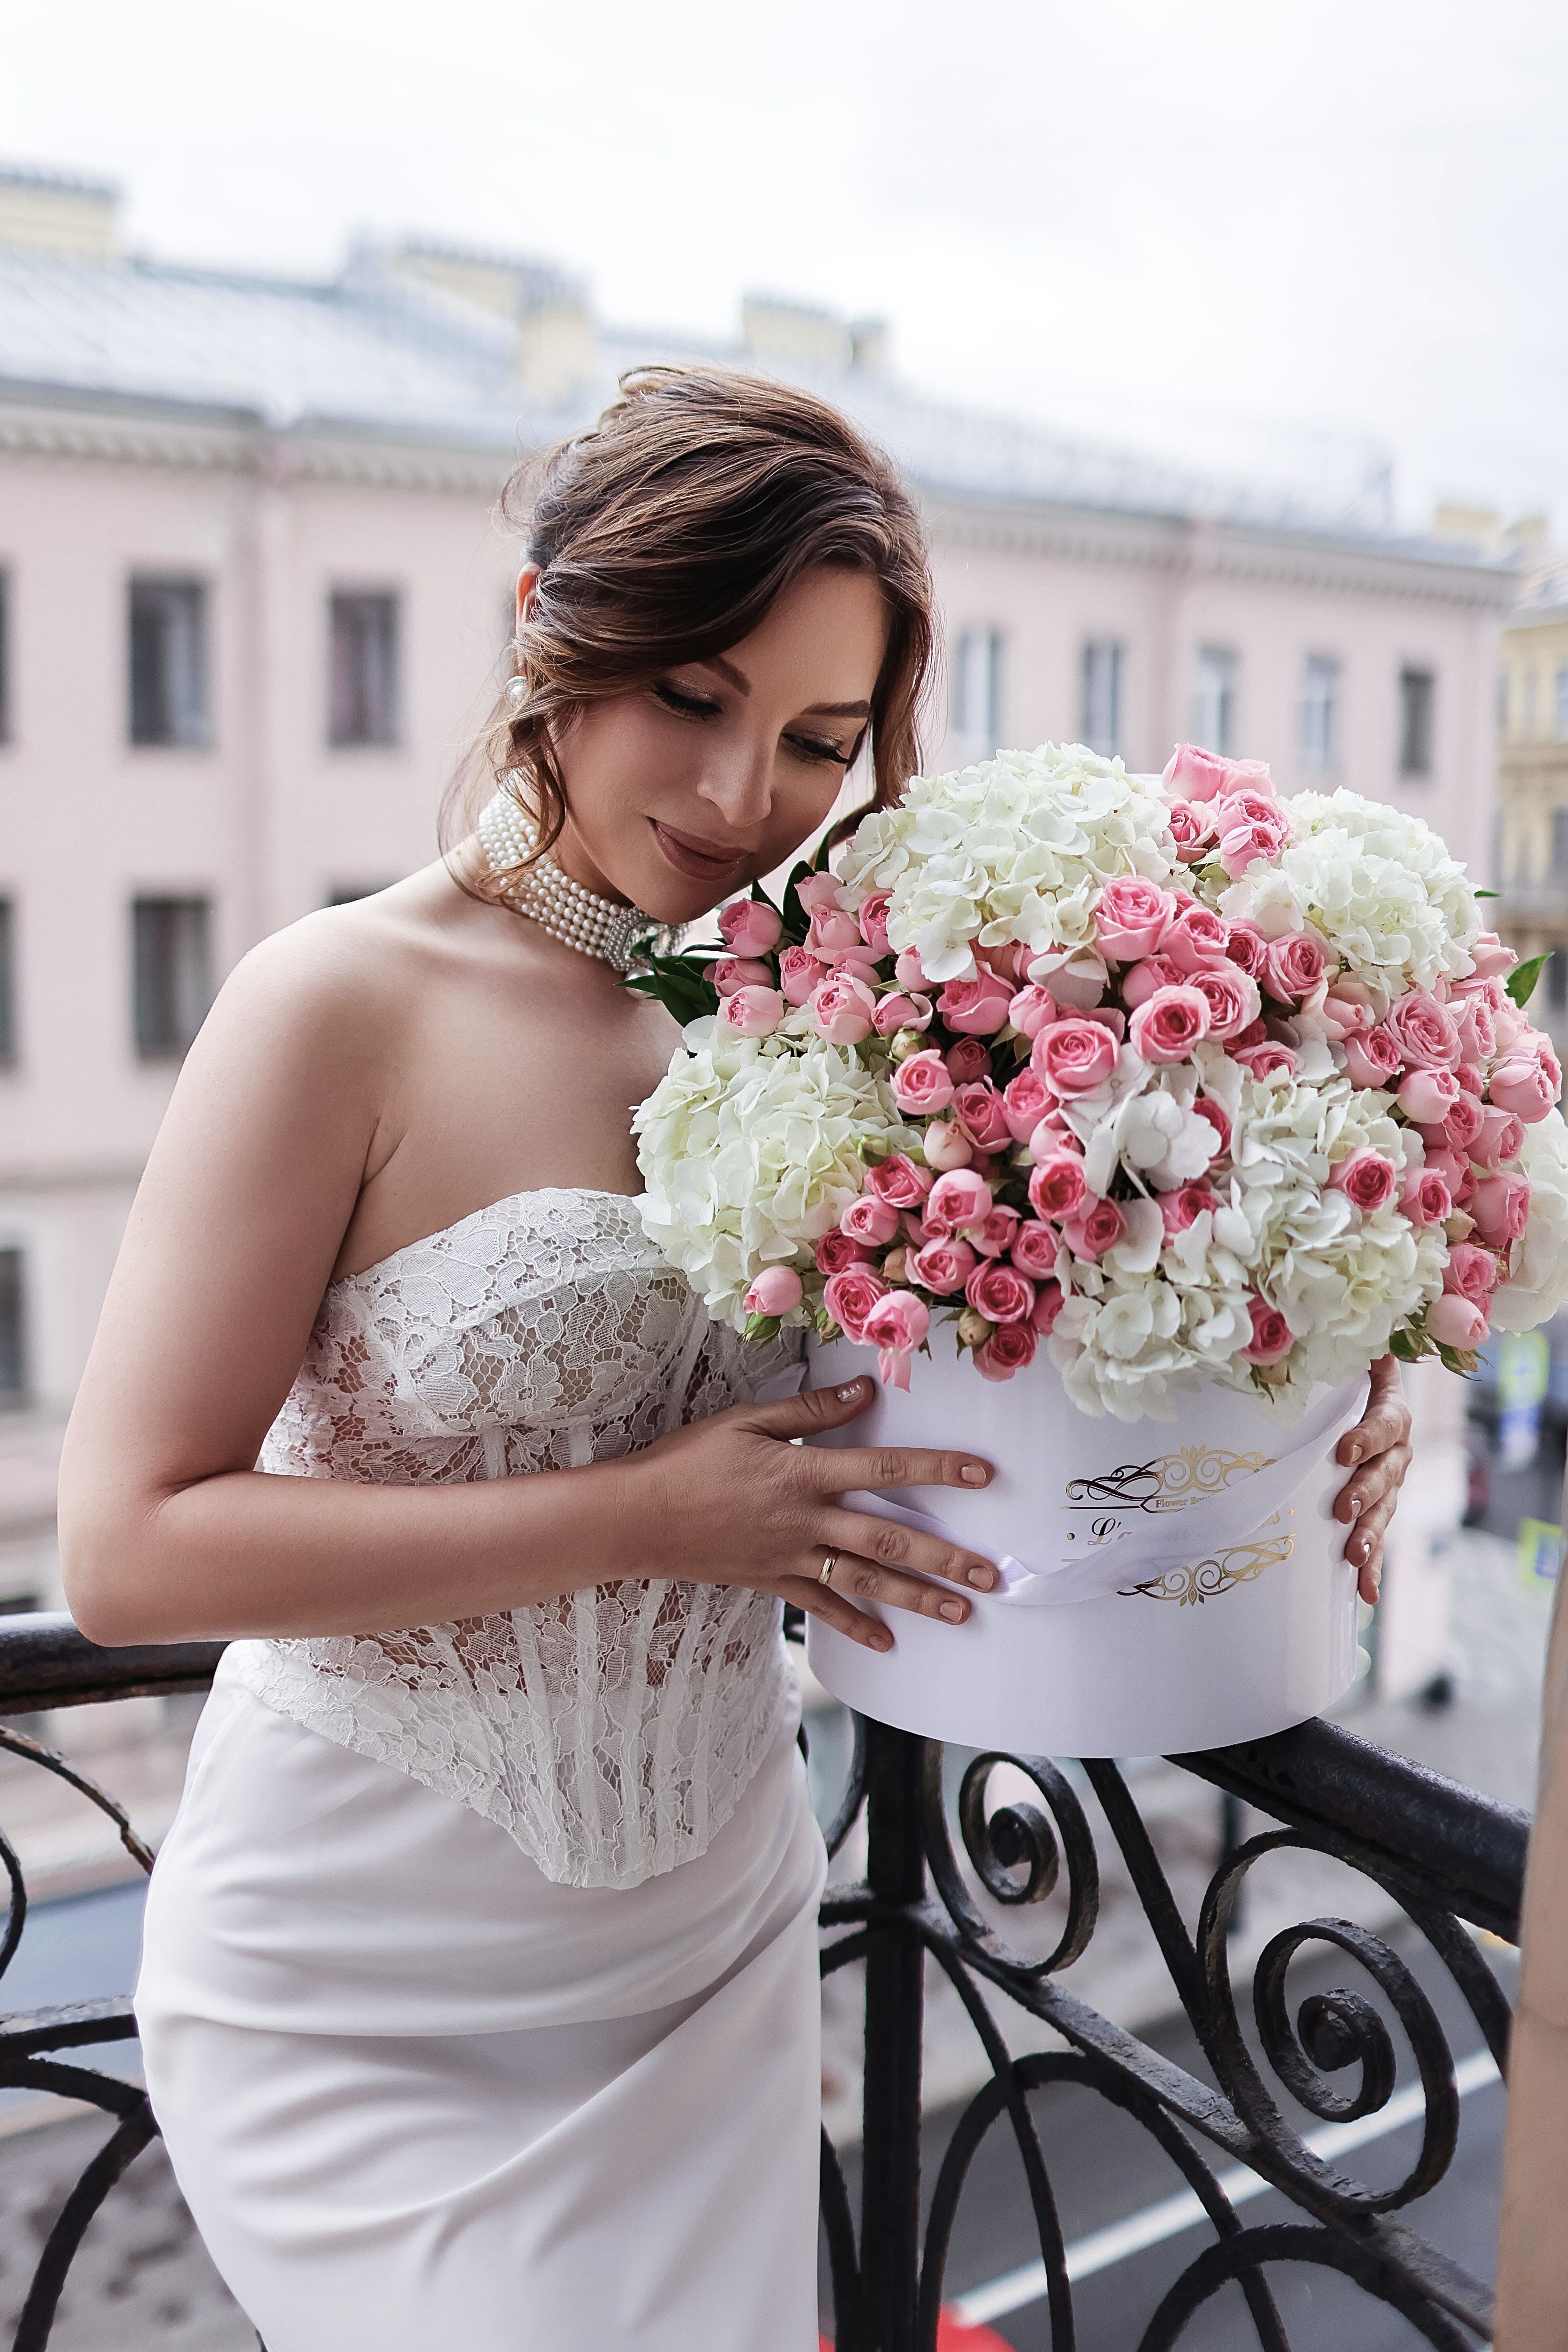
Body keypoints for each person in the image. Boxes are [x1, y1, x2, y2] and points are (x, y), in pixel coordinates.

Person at [56, 366, 1412, 2352]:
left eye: (815, 739)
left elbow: (1036, 1341)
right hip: (362, 1976)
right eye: (691, 697)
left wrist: (1317, 1422)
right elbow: (129, 1551)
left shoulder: (845, 1027)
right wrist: (649, 1517)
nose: (737, 798)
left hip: (709, 1941)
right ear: (548, 628)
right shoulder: (329, 1002)